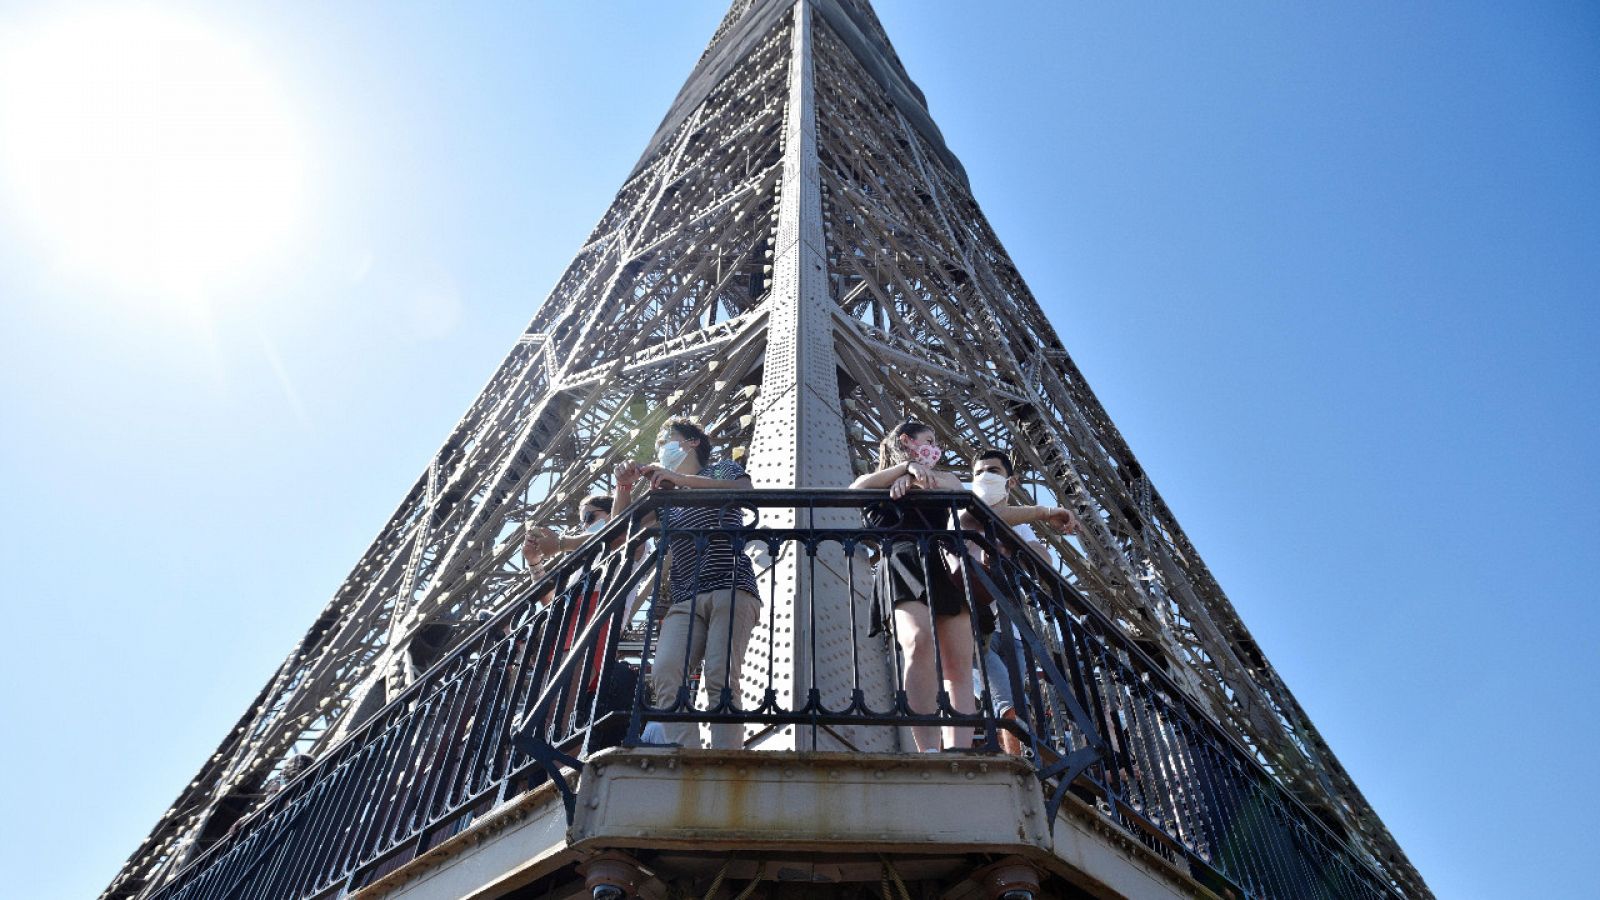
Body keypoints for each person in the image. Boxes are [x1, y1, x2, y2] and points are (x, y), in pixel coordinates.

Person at [615, 418, 761, 750]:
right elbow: (622, 531)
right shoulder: (665, 495)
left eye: (666, 439)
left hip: (731, 586)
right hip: (685, 598)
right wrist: (623, 488)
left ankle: (725, 760)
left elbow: (745, 492)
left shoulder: (721, 469)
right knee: (666, 673)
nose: (660, 449)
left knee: (720, 676)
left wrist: (679, 480)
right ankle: (687, 759)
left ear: (692, 442)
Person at [849, 419, 978, 752]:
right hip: (902, 560)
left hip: (941, 563)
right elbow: (856, 489)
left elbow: (959, 491)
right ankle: (930, 750)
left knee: (958, 665)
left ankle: (960, 752)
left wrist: (915, 479)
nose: (935, 448)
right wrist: (905, 469)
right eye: (929, 440)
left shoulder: (943, 477)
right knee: (919, 642)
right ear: (906, 440)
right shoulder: (879, 479)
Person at [966, 449, 1078, 754]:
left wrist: (1011, 544)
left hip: (1011, 629)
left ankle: (1021, 759)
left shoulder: (1022, 525)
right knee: (1006, 701)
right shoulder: (962, 510)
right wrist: (1044, 512)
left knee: (1014, 701)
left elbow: (1043, 562)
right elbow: (985, 517)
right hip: (973, 623)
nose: (984, 477)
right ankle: (1021, 764)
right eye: (978, 473)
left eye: (993, 471)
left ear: (1011, 481)